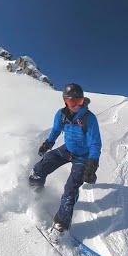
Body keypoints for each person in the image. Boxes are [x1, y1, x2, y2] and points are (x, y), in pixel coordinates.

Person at [28, 83, 101, 242]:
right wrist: (48, 143)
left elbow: (95, 144)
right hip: (67, 149)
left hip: (83, 157)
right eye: (72, 102)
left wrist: (92, 165)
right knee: (41, 166)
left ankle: (61, 225)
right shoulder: (61, 115)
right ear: (65, 102)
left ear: (83, 101)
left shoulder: (89, 118)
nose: (76, 106)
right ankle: (35, 191)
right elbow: (55, 130)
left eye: (79, 101)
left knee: (70, 189)